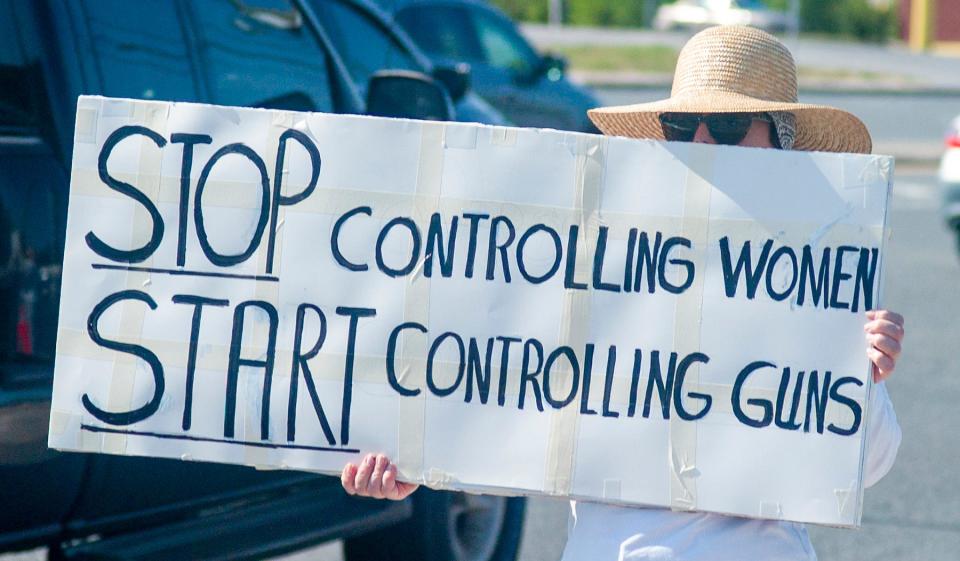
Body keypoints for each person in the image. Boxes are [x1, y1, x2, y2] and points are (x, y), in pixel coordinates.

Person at [340, 25, 904, 561]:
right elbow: (519, 402)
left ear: (780, 142)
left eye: (729, 124)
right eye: (684, 128)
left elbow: (866, 464)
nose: (704, 141)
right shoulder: (603, 258)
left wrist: (861, 374)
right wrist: (420, 464)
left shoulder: (815, 270)